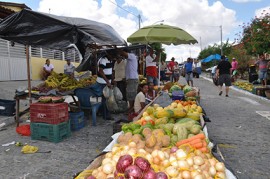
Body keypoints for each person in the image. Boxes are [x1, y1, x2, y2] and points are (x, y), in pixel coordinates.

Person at [118, 48, 139, 114]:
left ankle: (131, 109)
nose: (122, 55)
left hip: (132, 79)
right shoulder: (128, 60)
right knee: (130, 94)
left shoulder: (132, 56)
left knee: (131, 94)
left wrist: (118, 50)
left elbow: (124, 53)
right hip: (130, 79)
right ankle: (131, 108)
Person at [96, 50, 115, 120]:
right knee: (105, 99)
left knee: (105, 99)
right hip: (102, 82)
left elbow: (110, 71)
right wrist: (107, 81)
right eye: (112, 56)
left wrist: (112, 80)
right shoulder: (103, 60)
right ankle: (105, 115)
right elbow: (100, 71)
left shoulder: (110, 60)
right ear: (108, 54)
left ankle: (101, 112)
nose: (113, 58)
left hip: (107, 82)